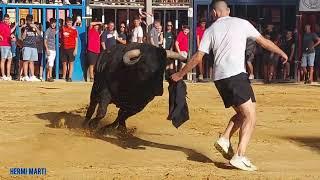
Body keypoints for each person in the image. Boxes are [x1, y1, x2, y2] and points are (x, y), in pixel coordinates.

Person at [171, 0, 288, 171]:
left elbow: (198, 57)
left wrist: (180, 75)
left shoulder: (210, 30)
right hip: (236, 75)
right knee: (250, 116)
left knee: (245, 111)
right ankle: (239, 156)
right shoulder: (242, 23)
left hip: (220, 78)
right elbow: (263, 42)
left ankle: (225, 139)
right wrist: (282, 52)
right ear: (228, 10)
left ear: (214, 13)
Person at [21, 14, 41, 82]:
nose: (29, 22)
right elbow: (22, 37)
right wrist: (25, 30)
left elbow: (39, 34)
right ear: (26, 20)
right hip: (26, 46)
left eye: (30, 20)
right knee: (26, 60)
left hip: (33, 46)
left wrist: (35, 27)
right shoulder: (24, 27)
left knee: (32, 61)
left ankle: (32, 76)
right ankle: (26, 76)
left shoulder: (34, 26)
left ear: (32, 20)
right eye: (28, 20)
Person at [61, 17, 78, 82]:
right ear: (66, 22)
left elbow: (76, 40)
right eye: (68, 22)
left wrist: (75, 49)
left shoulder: (74, 30)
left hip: (71, 48)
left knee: (71, 63)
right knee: (64, 63)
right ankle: (64, 76)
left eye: (70, 22)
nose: (69, 24)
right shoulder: (63, 28)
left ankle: (70, 77)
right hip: (64, 48)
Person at [0, 14, 17, 81]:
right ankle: (3, 75)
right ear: (4, 19)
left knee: (9, 59)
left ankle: (8, 75)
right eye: (6, 19)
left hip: (9, 44)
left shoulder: (8, 26)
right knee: (3, 59)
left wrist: (15, 26)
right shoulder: (1, 24)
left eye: (8, 19)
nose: (7, 20)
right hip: (3, 44)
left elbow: (10, 32)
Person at [44, 18, 57, 82]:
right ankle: (50, 76)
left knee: (49, 63)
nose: (53, 24)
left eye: (54, 23)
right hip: (50, 49)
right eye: (52, 23)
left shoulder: (55, 30)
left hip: (54, 49)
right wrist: (47, 49)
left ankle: (47, 76)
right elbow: (45, 40)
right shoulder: (48, 30)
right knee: (51, 63)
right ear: (50, 23)